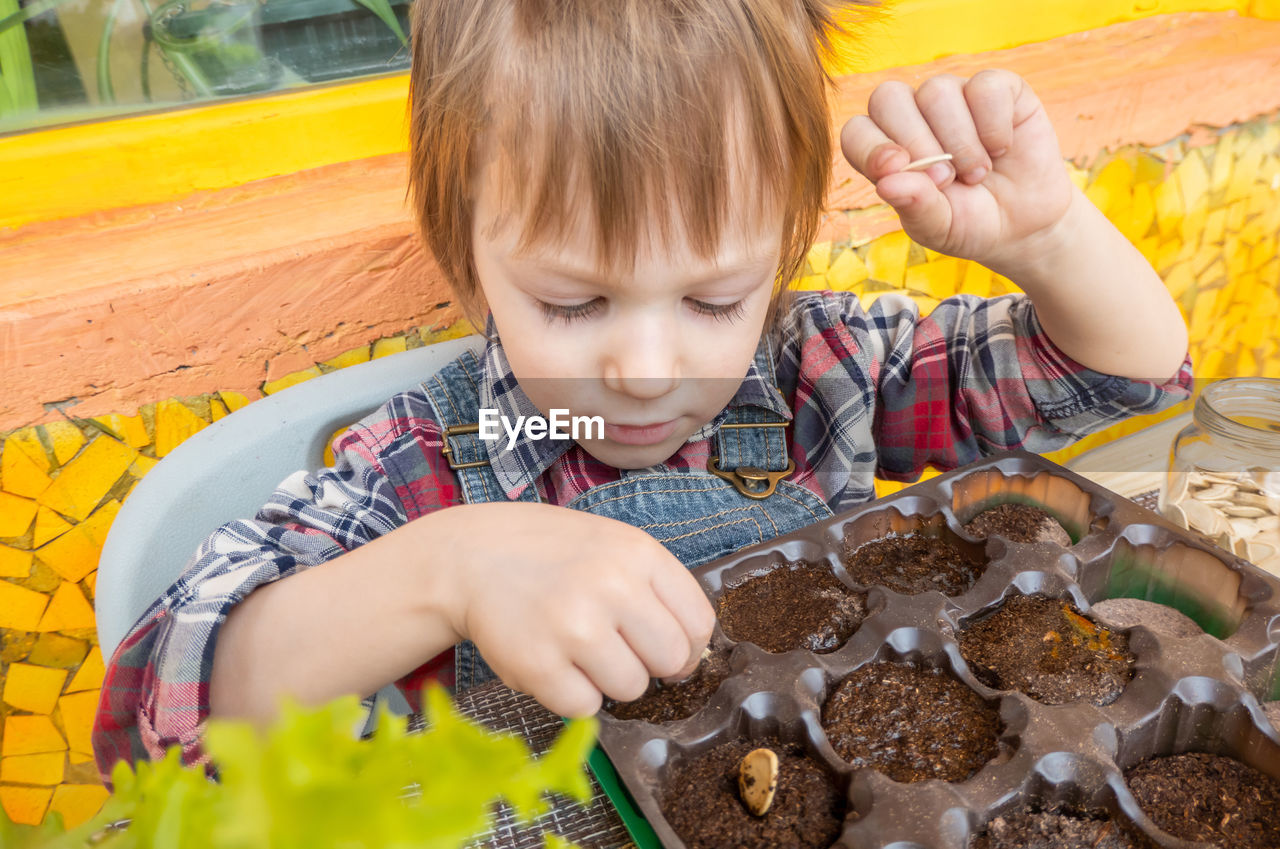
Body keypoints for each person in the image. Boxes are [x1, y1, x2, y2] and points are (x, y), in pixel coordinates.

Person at [93, 0, 1190, 781]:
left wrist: (1050, 240)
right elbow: (155, 710)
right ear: (465, 254)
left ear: (783, 250)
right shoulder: (427, 460)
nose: (646, 368)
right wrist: (444, 570)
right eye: (572, 304)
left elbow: (1116, 388)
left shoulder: (822, 374)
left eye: (713, 300)